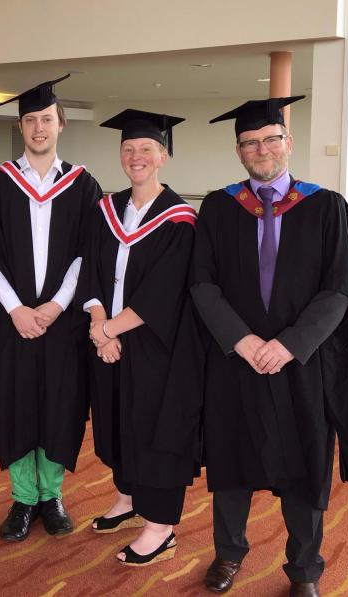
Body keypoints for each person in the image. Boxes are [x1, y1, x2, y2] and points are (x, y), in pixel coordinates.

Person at [192, 96, 348, 597]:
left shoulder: (326, 207)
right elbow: (202, 284)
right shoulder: (218, 206)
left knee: (306, 464)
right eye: (250, 142)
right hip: (236, 360)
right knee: (230, 463)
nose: (261, 149)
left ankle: (304, 570)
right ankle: (228, 554)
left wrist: (289, 344)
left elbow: (340, 289)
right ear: (239, 151)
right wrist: (242, 339)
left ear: (288, 143)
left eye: (270, 139)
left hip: (301, 363)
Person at [0, 75, 102, 542]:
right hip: (12, 324)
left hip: (62, 323)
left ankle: (52, 495)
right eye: (30, 120)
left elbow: (88, 255)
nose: (38, 128)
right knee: (15, 405)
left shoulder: (84, 185)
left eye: (46, 119)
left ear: (60, 124)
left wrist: (54, 305)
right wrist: (15, 309)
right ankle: (22, 499)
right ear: (21, 127)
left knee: (59, 406)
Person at [79, 109, 202, 566]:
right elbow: (89, 267)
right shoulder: (106, 211)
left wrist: (107, 329)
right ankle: (128, 499)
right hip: (107, 342)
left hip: (156, 349)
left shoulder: (180, 219)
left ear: (163, 157)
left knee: (155, 430)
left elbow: (165, 293)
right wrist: (97, 323)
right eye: (129, 149)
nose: (137, 157)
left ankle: (160, 527)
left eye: (146, 149)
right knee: (115, 422)